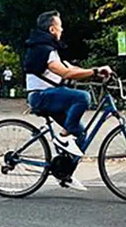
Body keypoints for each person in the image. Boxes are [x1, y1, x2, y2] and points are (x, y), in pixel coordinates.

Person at [23, 11, 111, 191]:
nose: (62, 30)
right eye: (60, 26)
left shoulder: (48, 48)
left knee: (81, 133)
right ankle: (64, 137)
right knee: (83, 97)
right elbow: (65, 73)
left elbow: (71, 68)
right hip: (41, 97)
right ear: (52, 29)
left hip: (49, 96)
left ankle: (65, 174)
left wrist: (94, 71)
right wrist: (94, 71)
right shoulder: (43, 50)